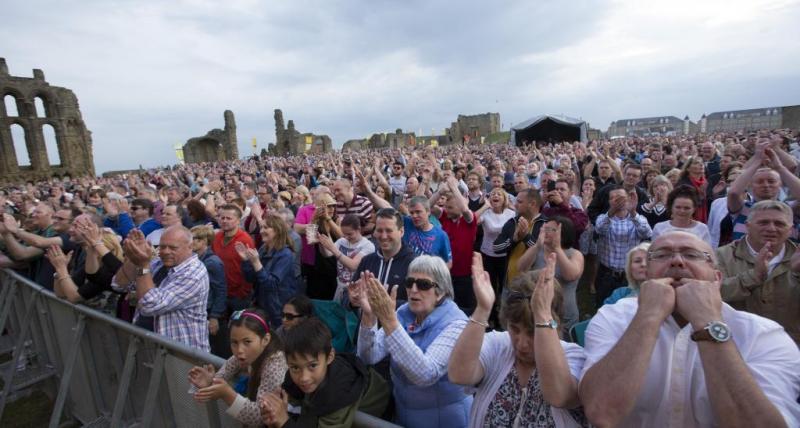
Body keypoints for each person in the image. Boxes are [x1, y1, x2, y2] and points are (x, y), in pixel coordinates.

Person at [579, 231, 800, 427]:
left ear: (717, 278)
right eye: (661, 255)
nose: (676, 261)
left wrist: (707, 320)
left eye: (692, 255)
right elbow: (601, 412)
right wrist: (648, 316)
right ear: (647, 275)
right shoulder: (614, 317)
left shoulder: (763, 334)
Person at [449, 253, 588, 428]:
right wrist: (482, 310)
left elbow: (559, 395)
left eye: (532, 332)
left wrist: (542, 314)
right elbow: (459, 374)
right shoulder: (499, 345)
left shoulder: (574, 357)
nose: (521, 344)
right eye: (514, 329)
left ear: (553, 324)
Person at [352, 256, 472, 428]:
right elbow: (369, 356)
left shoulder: (457, 324)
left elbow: (425, 374)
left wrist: (388, 320)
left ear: (441, 292)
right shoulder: (403, 313)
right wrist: (369, 316)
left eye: (423, 284)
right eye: (409, 282)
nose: (413, 290)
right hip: (404, 416)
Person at [260, 317, 390, 428]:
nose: (304, 378)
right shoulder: (295, 377)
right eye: (295, 368)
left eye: (312, 366)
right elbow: (290, 406)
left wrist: (284, 422)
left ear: (330, 357)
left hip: (383, 413)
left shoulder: (337, 393)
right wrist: (273, 415)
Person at [111, 227, 210, 352]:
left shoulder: (194, 273)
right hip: (147, 348)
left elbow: (150, 305)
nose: (166, 252)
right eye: (162, 247)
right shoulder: (157, 263)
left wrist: (142, 265)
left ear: (190, 247)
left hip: (180, 354)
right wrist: (134, 256)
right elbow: (119, 285)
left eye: (173, 248)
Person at [718, 200, 800, 344]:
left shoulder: (797, 257)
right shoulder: (722, 255)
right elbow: (715, 294)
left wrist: (797, 275)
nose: (771, 228)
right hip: (738, 344)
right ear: (747, 226)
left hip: (790, 344)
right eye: (763, 223)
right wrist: (754, 276)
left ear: (790, 230)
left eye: (779, 224)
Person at [189, 308, 286, 428]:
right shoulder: (243, 355)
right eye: (234, 342)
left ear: (265, 339)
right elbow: (221, 376)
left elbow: (260, 417)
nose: (239, 350)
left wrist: (227, 394)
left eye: (247, 342)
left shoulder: (274, 364)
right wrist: (210, 382)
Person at [518, 216, 584, 332]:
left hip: (563, 316)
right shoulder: (537, 250)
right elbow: (521, 269)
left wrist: (557, 248)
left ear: (563, 233)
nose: (545, 232)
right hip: (537, 312)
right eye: (545, 228)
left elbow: (571, 275)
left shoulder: (574, 254)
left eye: (551, 229)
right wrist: (537, 246)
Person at [593, 184, 652, 307]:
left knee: (629, 307)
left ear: (628, 199)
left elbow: (647, 233)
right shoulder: (603, 218)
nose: (617, 201)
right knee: (602, 306)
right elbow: (599, 228)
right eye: (613, 198)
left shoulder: (638, 219)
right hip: (607, 274)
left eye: (620, 197)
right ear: (609, 202)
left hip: (629, 275)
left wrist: (633, 212)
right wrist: (611, 211)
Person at [238, 214, 297, 328]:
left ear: (277, 230)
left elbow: (271, 284)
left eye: (266, 228)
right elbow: (250, 279)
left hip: (277, 307)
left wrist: (256, 262)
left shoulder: (285, 254)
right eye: (261, 227)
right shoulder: (263, 249)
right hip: (261, 303)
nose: (261, 231)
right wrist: (246, 261)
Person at [431, 177, 479, 314]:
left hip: (464, 276)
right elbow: (427, 207)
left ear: (459, 206)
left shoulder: (469, 221)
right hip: (445, 273)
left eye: (450, 207)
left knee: (464, 310)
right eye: (446, 207)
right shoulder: (445, 217)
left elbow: (465, 210)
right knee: (444, 308)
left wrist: (453, 188)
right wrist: (439, 193)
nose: (447, 210)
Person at [352, 207, 416, 303]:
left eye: (389, 231)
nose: (384, 236)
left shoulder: (414, 264)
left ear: (401, 232)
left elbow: (419, 303)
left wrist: (386, 304)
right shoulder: (367, 261)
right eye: (379, 230)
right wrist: (353, 300)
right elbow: (348, 295)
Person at [493, 188, 546, 288]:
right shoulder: (512, 222)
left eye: (519, 202)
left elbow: (542, 252)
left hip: (534, 287)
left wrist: (526, 237)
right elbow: (496, 248)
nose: (515, 204)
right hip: (510, 284)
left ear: (532, 204)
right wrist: (514, 239)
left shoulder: (545, 224)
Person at [318, 214, 374, 302]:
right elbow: (327, 254)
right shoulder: (342, 241)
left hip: (357, 289)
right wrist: (321, 243)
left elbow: (353, 266)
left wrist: (333, 249)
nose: (346, 237)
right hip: (340, 286)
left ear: (359, 229)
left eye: (350, 234)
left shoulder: (367, 245)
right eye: (344, 234)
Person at [190, 224, 227, 356]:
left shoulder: (213, 262)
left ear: (204, 241)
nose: (191, 242)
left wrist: (214, 317)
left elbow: (221, 291)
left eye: (195, 239)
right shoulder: (195, 259)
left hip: (209, 311)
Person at [541, 179, 589, 243]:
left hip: (568, 248)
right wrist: (541, 203)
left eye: (562, 189)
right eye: (556, 189)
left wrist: (561, 204)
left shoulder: (579, 213)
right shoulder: (547, 210)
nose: (558, 191)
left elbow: (578, 228)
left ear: (570, 193)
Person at [676, 156, 710, 223]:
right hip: (687, 221)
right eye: (696, 163)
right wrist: (700, 196)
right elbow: (685, 205)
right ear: (688, 168)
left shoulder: (707, 183)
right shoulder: (683, 185)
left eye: (702, 163)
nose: (701, 164)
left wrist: (715, 194)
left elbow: (709, 205)